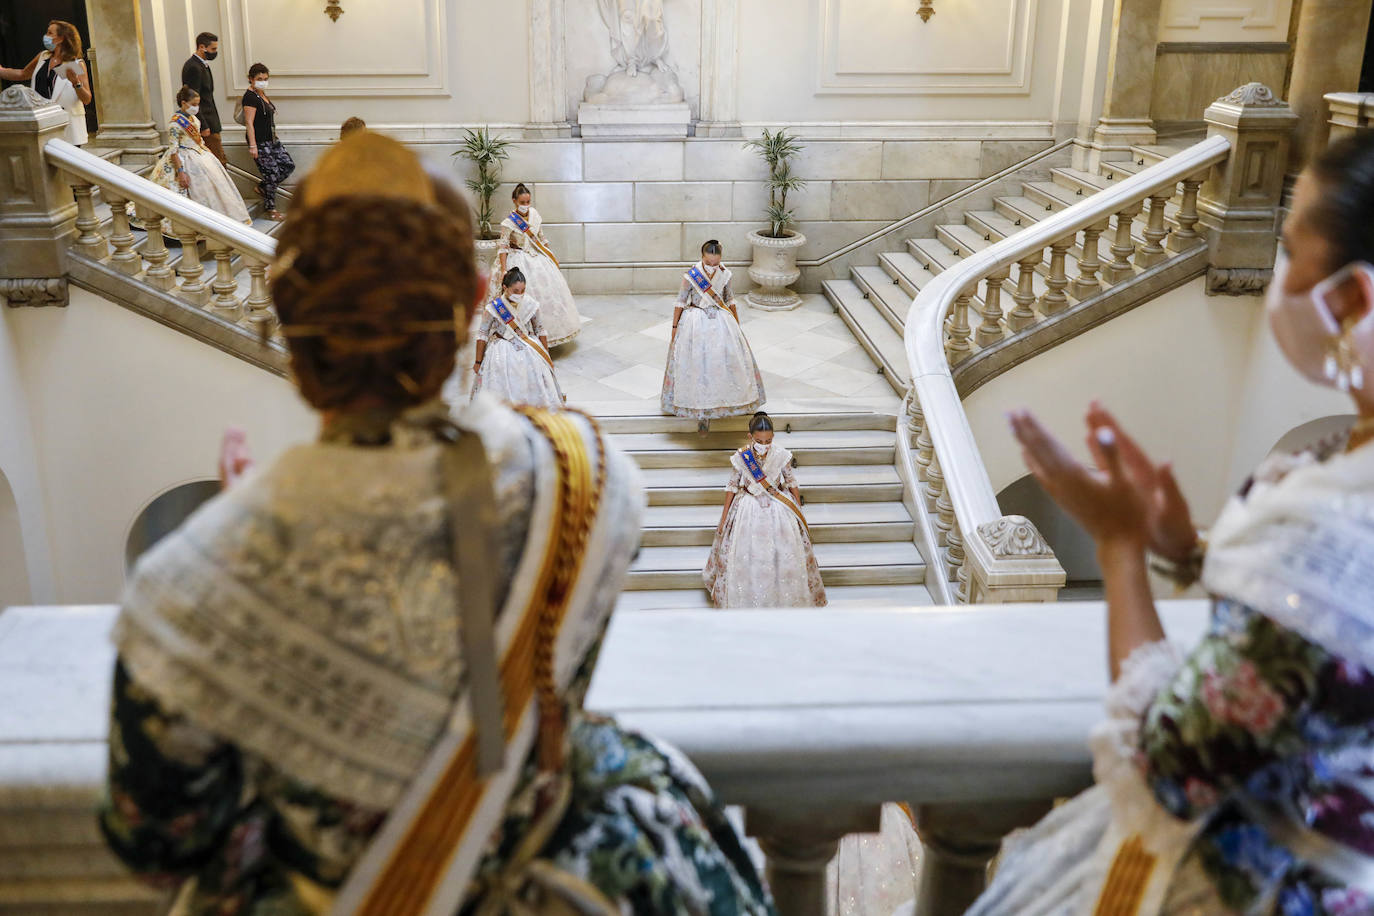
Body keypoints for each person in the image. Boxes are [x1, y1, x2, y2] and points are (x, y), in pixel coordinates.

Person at [98, 131, 774, 916]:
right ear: (478, 296)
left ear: (285, 312)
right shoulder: (584, 471)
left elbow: (160, 845)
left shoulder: (185, 585)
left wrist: (251, 527)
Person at [967, 130, 1374, 915]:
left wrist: (1118, 546)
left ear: (1351, 299)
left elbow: (1167, 766)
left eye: (1292, 250)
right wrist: (1186, 552)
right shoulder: (1345, 467)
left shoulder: (1332, 526)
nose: (1278, 275)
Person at [704, 411, 826, 608]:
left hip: (778, 507)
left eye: (768, 439)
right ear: (750, 436)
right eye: (760, 440)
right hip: (747, 507)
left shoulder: (781, 455)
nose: (765, 443)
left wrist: (798, 510)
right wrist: (723, 518)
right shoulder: (742, 457)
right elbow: (732, 486)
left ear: (773, 437)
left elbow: (791, 481)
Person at [662, 240, 766, 434]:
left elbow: (730, 299)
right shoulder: (692, 275)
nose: (712, 267)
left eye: (715, 263)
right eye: (708, 263)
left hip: (721, 319)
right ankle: (701, 411)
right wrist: (675, 326)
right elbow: (680, 302)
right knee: (698, 366)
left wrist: (736, 323)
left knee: (722, 363)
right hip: (695, 321)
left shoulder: (725, 274)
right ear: (702, 258)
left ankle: (727, 404)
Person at [487, 183, 582, 347]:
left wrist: (550, 255)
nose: (525, 205)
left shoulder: (535, 216)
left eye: (528, 202)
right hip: (517, 258)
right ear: (514, 201)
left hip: (537, 259)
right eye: (522, 202)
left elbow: (541, 238)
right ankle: (517, 336)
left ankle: (547, 336)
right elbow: (503, 247)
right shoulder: (508, 223)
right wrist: (504, 269)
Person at [149, 86, 250, 225]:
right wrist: (181, 172)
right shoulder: (175, 124)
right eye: (194, 104)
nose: (196, 108)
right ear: (184, 103)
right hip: (183, 159)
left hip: (200, 155)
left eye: (198, 104)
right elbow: (173, 150)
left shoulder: (194, 119)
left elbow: (199, 140)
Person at [473, 266, 564, 408]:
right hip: (500, 349)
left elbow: (540, 330)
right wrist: (478, 361)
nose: (519, 294)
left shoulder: (531, 304)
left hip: (528, 348)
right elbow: (482, 334)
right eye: (515, 291)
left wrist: (546, 357)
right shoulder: (494, 307)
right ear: (505, 287)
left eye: (522, 291)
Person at [0, 20, 92, 146]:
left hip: (69, 126)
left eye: (50, 33)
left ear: (61, 38)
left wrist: (76, 83)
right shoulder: (43, 56)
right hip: (44, 123)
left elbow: (86, 99)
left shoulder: (75, 63)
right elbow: (22, 74)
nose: (45, 36)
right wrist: (1, 70)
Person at [242, 63, 293, 221]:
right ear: (251, 79)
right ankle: (271, 209)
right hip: (260, 141)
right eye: (259, 79)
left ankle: (263, 187)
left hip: (272, 140)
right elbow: (249, 122)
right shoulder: (250, 97)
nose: (262, 81)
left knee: (288, 165)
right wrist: (253, 145)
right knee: (271, 174)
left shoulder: (262, 94)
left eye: (265, 79)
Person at [181, 32, 226, 166]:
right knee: (218, 162)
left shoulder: (201, 65)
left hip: (211, 121)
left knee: (219, 160)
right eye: (213, 49)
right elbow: (194, 100)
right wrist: (204, 125)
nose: (215, 52)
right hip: (207, 123)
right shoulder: (194, 67)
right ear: (202, 47)